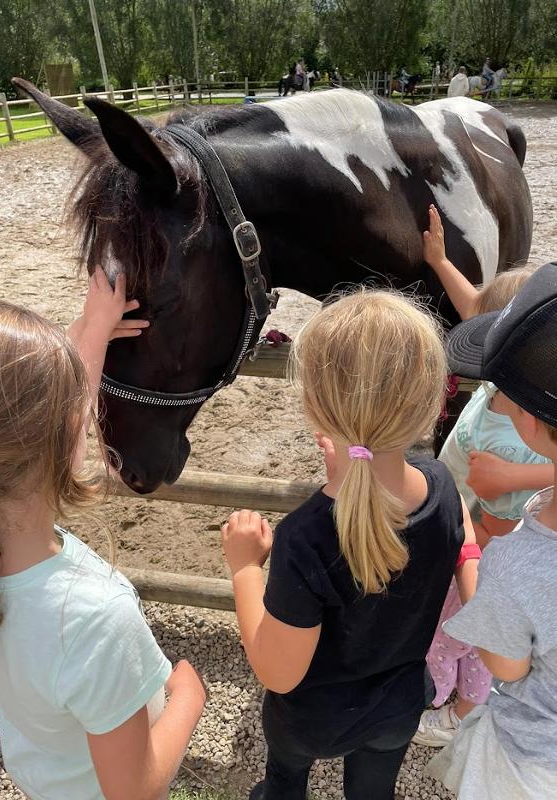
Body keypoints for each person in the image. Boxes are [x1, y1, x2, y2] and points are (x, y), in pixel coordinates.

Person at [0, 269, 206, 799]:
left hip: (43, 773)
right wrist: (189, 696)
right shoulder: (93, 620)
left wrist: (92, 329)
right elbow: (133, 791)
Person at [221, 289, 470, 800]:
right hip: (398, 708)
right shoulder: (444, 488)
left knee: (284, 784)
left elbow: (278, 674)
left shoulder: (306, 537)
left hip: (310, 720)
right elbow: (442, 524)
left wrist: (244, 568)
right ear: (431, 401)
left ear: (314, 407)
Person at [413, 206, 552, 747]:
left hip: (476, 542)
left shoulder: (520, 427)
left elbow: (497, 525)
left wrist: (510, 480)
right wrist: (440, 261)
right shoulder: (509, 387)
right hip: (471, 529)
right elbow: (475, 305)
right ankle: (466, 702)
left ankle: (446, 705)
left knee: (454, 635)